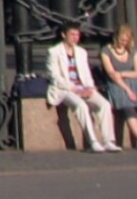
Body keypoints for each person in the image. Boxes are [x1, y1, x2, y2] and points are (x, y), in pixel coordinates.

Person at [45, 24, 119, 152]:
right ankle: (93, 141)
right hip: (64, 89)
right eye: (72, 35)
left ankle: (108, 141)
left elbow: (86, 73)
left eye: (77, 35)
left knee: (105, 105)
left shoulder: (81, 52)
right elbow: (54, 76)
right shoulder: (54, 52)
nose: (75, 38)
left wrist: (90, 88)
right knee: (81, 106)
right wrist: (74, 89)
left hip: (83, 87)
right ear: (64, 35)